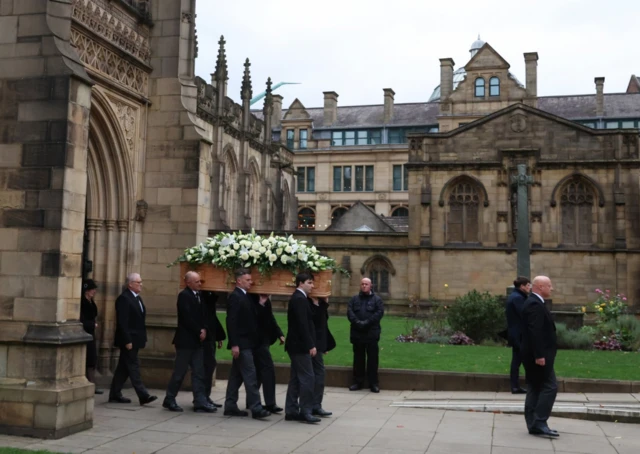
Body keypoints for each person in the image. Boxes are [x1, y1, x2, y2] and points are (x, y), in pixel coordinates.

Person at [162, 271, 215, 413]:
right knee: (179, 372)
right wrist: (199, 330)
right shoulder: (184, 296)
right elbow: (187, 318)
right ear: (188, 282)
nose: (200, 283)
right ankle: (169, 398)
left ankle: (200, 401)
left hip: (197, 342)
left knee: (199, 372)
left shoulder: (199, 296)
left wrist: (203, 329)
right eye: (197, 281)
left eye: (200, 281)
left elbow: (204, 314)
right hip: (185, 342)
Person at [223, 269, 271, 420]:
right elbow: (231, 322)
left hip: (248, 343)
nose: (251, 282)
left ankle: (230, 405)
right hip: (242, 344)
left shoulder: (246, 296)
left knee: (236, 377)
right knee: (250, 376)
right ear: (239, 281)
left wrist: (262, 303)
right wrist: (235, 344)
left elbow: (253, 315)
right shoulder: (236, 297)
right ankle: (256, 408)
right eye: (248, 280)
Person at [109, 273, 157, 406]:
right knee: (133, 367)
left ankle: (114, 394)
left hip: (136, 339)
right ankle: (143, 395)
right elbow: (122, 323)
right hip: (129, 340)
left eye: (141, 282)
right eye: (138, 282)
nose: (141, 284)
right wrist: (127, 340)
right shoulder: (124, 299)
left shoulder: (137, 298)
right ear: (130, 284)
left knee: (123, 368)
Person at [521, 275, 559, 438]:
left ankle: (533, 423)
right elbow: (534, 332)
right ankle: (539, 422)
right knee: (550, 386)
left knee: (535, 386)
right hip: (538, 356)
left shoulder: (534, 302)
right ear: (540, 287)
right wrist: (539, 355)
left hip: (533, 354)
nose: (552, 288)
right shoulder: (535, 304)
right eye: (549, 285)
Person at [284, 272, 321, 424]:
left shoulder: (301, 299)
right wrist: (310, 345)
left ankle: (291, 410)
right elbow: (302, 325)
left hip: (295, 345)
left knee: (296, 379)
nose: (312, 286)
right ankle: (305, 411)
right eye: (310, 283)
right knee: (308, 378)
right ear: (300, 283)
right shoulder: (299, 299)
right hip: (299, 346)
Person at [347, 278, 384, 393]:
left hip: (371, 334)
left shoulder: (377, 300)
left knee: (373, 360)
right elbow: (350, 312)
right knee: (358, 359)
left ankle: (373, 383)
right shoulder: (354, 299)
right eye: (362, 284)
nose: (364, 286)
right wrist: (358, 323)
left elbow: (379, 313)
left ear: (371, 286)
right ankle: (358, 382)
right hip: (358, 334)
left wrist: (366, 323)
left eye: (366, 284)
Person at [251, 293, 285, 414]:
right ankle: (269, 403)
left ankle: (255, 402)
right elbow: (252, 318)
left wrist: (279, 333)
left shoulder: (266, 301)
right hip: (256, 341)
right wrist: (261, 303)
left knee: (260, 372)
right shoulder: (252, 298)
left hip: (264, 341)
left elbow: (270, 318)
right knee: (267, 370)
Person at [310, 297, 335, 417]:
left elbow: (323, 325)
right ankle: (312, 406)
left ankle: (315, 405)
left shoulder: (319, 304)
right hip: (312, 346)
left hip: (317, 345)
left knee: (318, 374)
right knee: (317, 374)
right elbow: (315, 323)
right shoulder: (308, 303)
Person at [506, 276, 531, 394]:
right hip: (519, 334)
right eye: (528, 286)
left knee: (518, 360)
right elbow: (524, 314)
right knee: (521, 360)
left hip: (516, 333)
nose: (529, 288)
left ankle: (516, 386)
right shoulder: (518, 298)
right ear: (522, 286)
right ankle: (519, 386)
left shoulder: (516, 296)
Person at [201, 290, 226, 408]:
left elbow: (212, 316)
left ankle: (205, 396)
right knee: (207, 367)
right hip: (205, 339)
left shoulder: (208, 296)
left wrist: (218, 336)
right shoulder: (203, 296)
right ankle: (202, 398)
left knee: (209, 366)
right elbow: (206, 316)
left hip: (210, 336)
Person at [80, 279, 102, 395]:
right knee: (88, 358)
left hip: (91, 333)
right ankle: (89, 384)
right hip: (85, 332)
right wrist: (91, 324)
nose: (94, 291)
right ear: (86, 290)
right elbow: (81, 320)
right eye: (92, 289)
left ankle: (92, 384)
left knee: (92, 359)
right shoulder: (82, 302)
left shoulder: (91, 302)